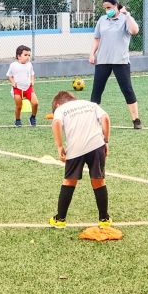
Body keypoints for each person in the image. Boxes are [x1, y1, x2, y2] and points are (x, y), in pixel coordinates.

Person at [49, 91, 112, 229]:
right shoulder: (91, 104)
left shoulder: (61, 109)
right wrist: (106, 141)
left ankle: (60, 220)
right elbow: (106, 118)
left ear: (58, 104)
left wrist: (60, 146)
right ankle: (104, 219)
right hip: (97, 145)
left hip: (75, 148)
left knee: (69, 181)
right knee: (98, 180)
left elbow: (56, 123)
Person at [90, 0, 142, 129]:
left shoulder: (125, 19)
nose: (107, 10)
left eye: (109, 7)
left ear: (116, 6)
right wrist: (92, 54)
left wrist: (127, 15)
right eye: (105, 8)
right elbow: (97, 38)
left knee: (127, 90)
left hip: (121, 61)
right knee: (96, 91)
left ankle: (136, 120)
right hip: (102, 60)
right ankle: (92, 120)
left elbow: (135, 30)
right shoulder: (102, 20)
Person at [7, 45, 39, 127]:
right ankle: (17, 120)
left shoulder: (29, 65)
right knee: (19, 106)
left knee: (35, 103)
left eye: (29, 55)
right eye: (25, 55)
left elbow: (32, 74)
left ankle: (32, 117)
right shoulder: (13, 65)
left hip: (28, 88)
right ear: (19, 56)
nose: (28, 57)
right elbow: (9, 76)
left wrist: (32, 80)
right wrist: (13, 82)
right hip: (17, 89)